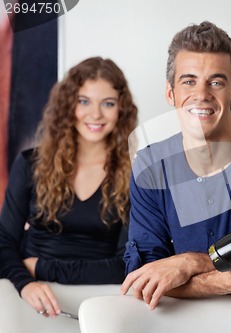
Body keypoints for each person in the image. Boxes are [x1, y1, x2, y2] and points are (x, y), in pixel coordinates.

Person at [120, 21, 231, 310]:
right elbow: (145, 277)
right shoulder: (150, 167)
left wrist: (190, 263)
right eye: (188, 81)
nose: (201, 94)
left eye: (216, 82)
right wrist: (228, 281)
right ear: (170, 92)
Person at [0, 57, 138, 318]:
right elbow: (4, 241)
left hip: (98, 299)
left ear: (121, 109)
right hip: (29, 294)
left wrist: (40, 268)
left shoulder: (136, 174)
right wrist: (26, 282)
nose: (95, 114)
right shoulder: (31, 164)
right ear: (67, 105)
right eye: (83, 101)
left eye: (107, 103)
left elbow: (125, 266)